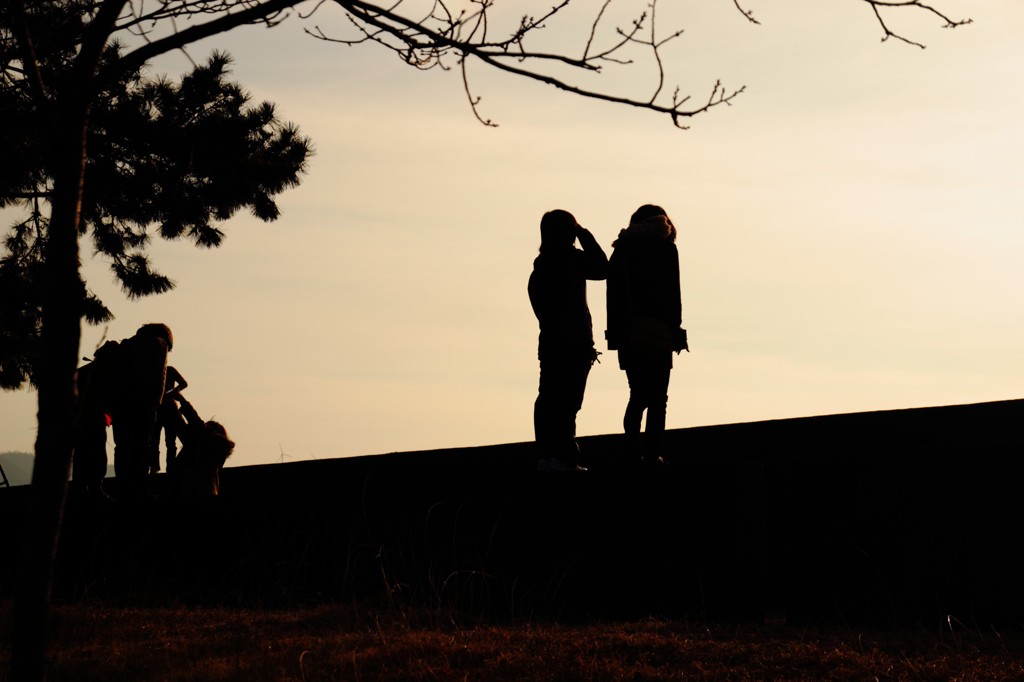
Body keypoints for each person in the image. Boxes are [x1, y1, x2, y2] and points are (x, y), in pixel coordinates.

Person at [605, 204, 688, 467]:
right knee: (658, 398)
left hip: (629, 333)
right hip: (660, 331)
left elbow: (613, 296)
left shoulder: (622, 249)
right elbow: (673, 294)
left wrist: (615, 336)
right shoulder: (666, 248)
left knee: (637, 394)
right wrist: (676, 329)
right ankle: (653, 453)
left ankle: (631, 451)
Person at [528, 209, 608, 472]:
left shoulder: (538, 271)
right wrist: (585, 235)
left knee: (548, 400)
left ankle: (547, 456)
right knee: (568, 404)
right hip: (575, 345)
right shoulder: (572, 261)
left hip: (550, 345)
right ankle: (564, 457)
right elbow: (602, 267)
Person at [109, 323, 173, 499]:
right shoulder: (160, 344)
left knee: (121, 447)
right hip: (144, 403)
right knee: (142, 446)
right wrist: (156, 403)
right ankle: (140, 488)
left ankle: (123, 486)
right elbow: (159, 377)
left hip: (120, 404)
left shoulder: (127, 344)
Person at [165, 393, 235, 498]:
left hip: (196, 496)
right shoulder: (200, 448)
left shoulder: (206, 443)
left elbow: (193, 426)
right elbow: (184, 428)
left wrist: (181, 401)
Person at [149, 365, 188, 474]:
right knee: (158, 441)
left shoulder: (167, 370)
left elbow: (183, 383)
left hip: (165, 409)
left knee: (166, 441)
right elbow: (184, 383)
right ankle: (160, 468)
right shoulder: (161, 370)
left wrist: (174, 391)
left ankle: (165, 468)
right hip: (161, 408)